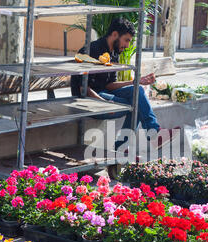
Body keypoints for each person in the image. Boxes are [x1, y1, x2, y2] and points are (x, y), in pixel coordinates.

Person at [70, 17, 178, 152]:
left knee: (137, 91)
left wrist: (135, 82)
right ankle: (127, 145)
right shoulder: (92, 50)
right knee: (137, 105)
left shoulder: (114, 53)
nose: (127, 45)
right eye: (126, 40)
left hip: (104, 94)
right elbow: (83, 88)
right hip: (88, 101)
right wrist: (104, 104)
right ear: (115, 34)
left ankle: (149, 135)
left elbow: (110, 85)